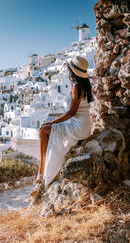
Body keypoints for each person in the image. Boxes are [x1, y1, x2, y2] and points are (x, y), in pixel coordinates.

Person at [33, 56, 93, 190]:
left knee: (43, 131)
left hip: (78, 127)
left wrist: (52, 123)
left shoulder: (77, 87)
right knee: (45, 129)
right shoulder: (86, 85)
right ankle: (43, 167)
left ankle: (42, 169)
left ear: (72, 72)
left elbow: (71, 113)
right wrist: (52, 124)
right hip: (84, 125)